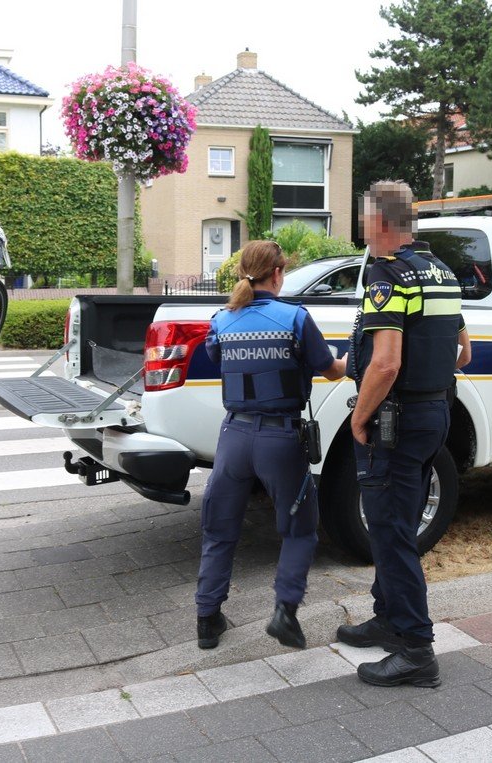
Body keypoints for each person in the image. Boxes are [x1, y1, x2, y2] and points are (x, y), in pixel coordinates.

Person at [338, 180, 471, 687]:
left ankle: (416, 649)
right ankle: (388, 617)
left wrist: (358, 416)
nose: (360, 227)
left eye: (363, 217)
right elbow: (464, 353)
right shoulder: (441, 272)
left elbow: (387, 363)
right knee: (400, 521)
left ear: (381, 223)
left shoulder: (386, 276)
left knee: (391, 533)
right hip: (433, 414)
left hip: (394, 421)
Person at [196, 240, 347, 651]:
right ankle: (284, 612)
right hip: (280, 438)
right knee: (299, 528)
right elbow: (330, 369)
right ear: (278, 273)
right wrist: (354, 363)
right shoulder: (295, 318)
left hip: (234, 437)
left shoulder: (222, 319)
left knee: (220, 527)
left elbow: (216, 357)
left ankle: (207, 620)